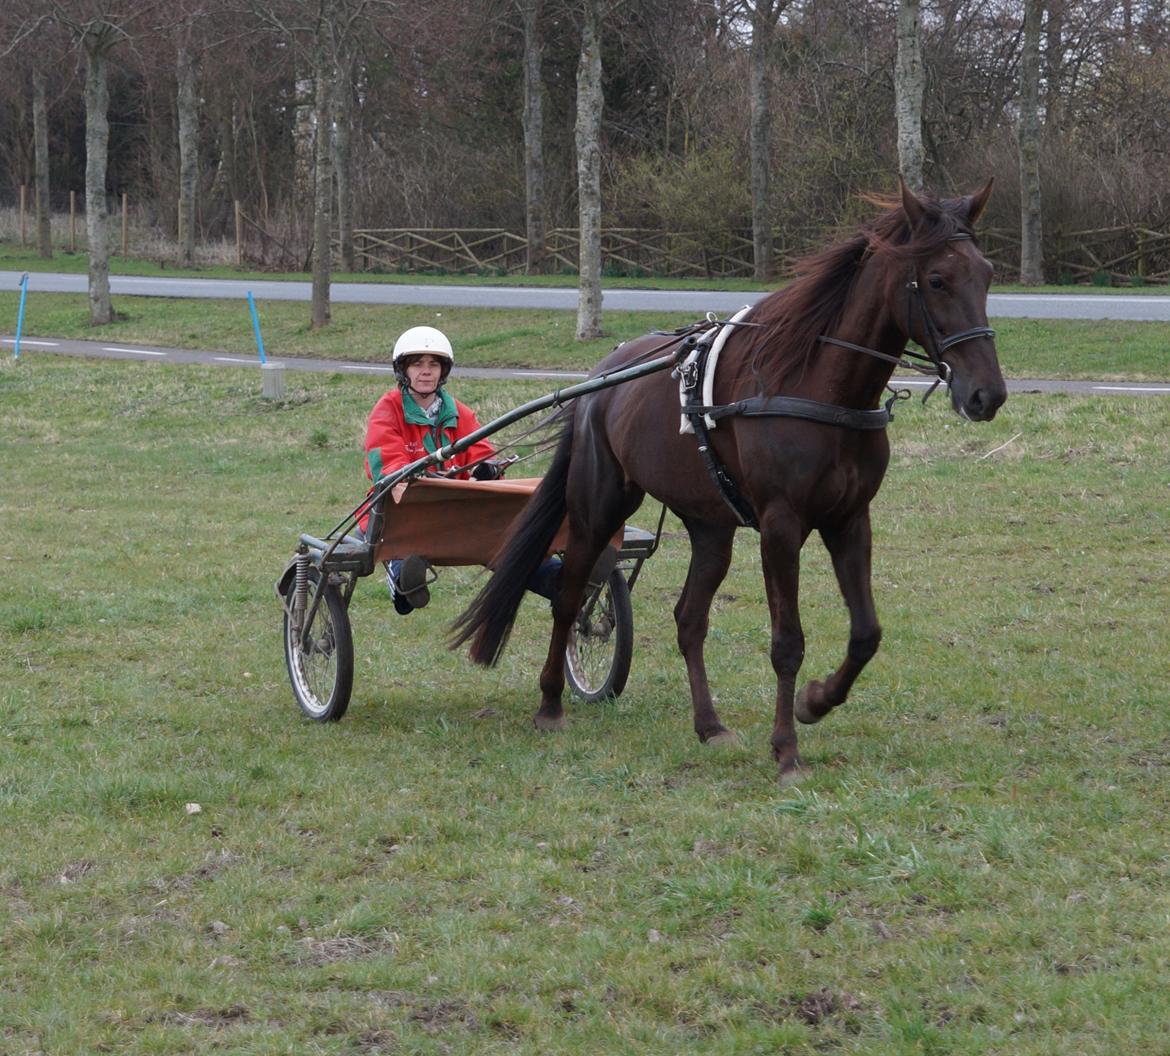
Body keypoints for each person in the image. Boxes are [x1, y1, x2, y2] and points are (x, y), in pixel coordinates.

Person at [360, 325, 560, 614]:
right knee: (401, 534)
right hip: (405, 509)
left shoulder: (460, 413)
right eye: (417, 364)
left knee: (503, 536)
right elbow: (385, 461)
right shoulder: (388, 409)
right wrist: (412, 476)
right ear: (403, 370)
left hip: (455, 510)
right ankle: (405, 581)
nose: (426, 371)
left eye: (433, 364)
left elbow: (482, 455)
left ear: (444, 371)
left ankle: (556, 577)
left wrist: (486, 470)